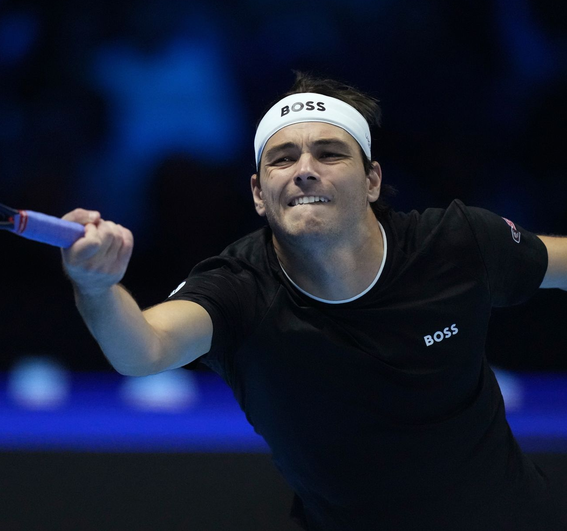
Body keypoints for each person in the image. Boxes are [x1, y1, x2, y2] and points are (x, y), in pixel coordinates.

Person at [60, 71, 567, 530]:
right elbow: (143, 349)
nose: (305, 169)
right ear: (260, 193)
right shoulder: (239, 288)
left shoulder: (456, 244)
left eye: (329, 153)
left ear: (372, 180)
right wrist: (96, 285)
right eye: (283, 158)